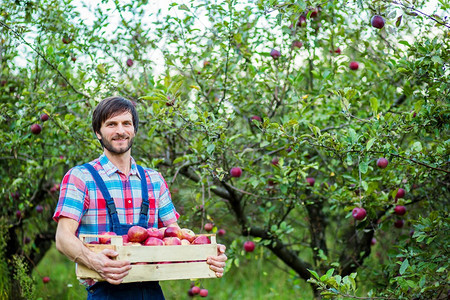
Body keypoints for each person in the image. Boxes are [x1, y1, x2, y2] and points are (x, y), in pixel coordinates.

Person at [53, 96, 227, 299]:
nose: (120, 130)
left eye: (126, 123)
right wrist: (95, 261)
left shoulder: (154, 180)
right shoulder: (81, 177)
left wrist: (206, 254)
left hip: (152, 291)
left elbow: (176, 237)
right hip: (105, 291)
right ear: (98, 133)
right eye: (111, 124)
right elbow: (63, 238)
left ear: (134, 130)